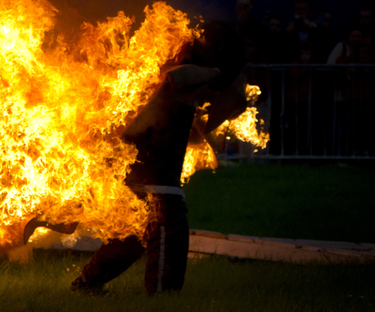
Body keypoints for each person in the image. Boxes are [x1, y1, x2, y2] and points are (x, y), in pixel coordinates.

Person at [70, 22, 247, 296]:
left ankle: (86, 284)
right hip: (152, 170)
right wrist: (216, 73)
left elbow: (232, 100)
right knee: (169, 226)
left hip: (145, 169)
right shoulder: (176, 67)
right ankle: (162, 298)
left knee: (132, 237)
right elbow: (177, 78)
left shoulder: (193, 74)